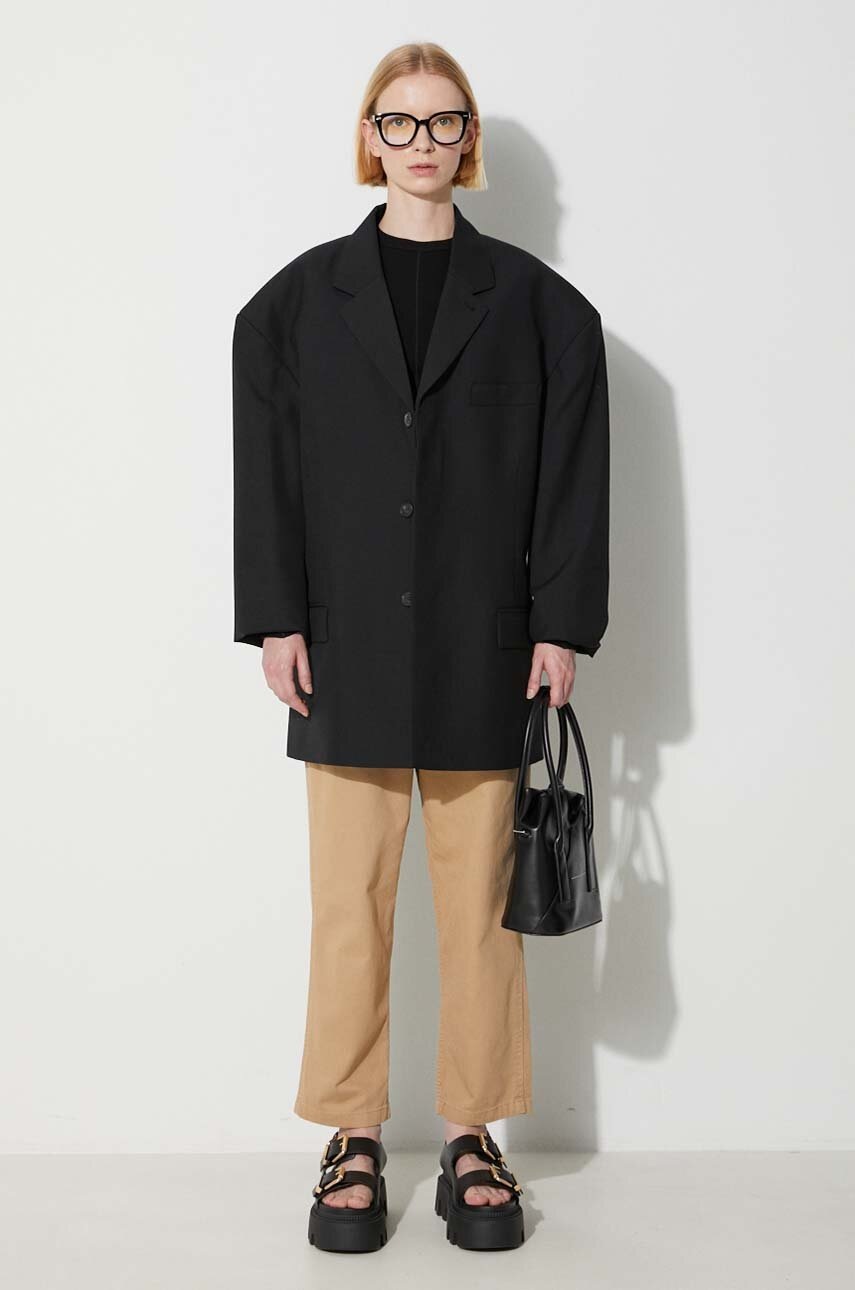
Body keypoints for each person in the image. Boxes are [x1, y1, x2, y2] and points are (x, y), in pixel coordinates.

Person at [232, 41, 610, 1253]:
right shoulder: (292, 306)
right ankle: (350, 1134)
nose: (422, 143)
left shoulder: (542, 309)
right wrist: (276, 616)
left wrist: (560, 624)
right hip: (341, 648)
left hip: (481, 649)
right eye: (398, 122)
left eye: (444, 122)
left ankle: (470, 1136)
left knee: (481, 910)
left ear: (468, 140)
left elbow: (572, 478)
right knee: (348, 904)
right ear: (369, 139)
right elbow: (268, 472)